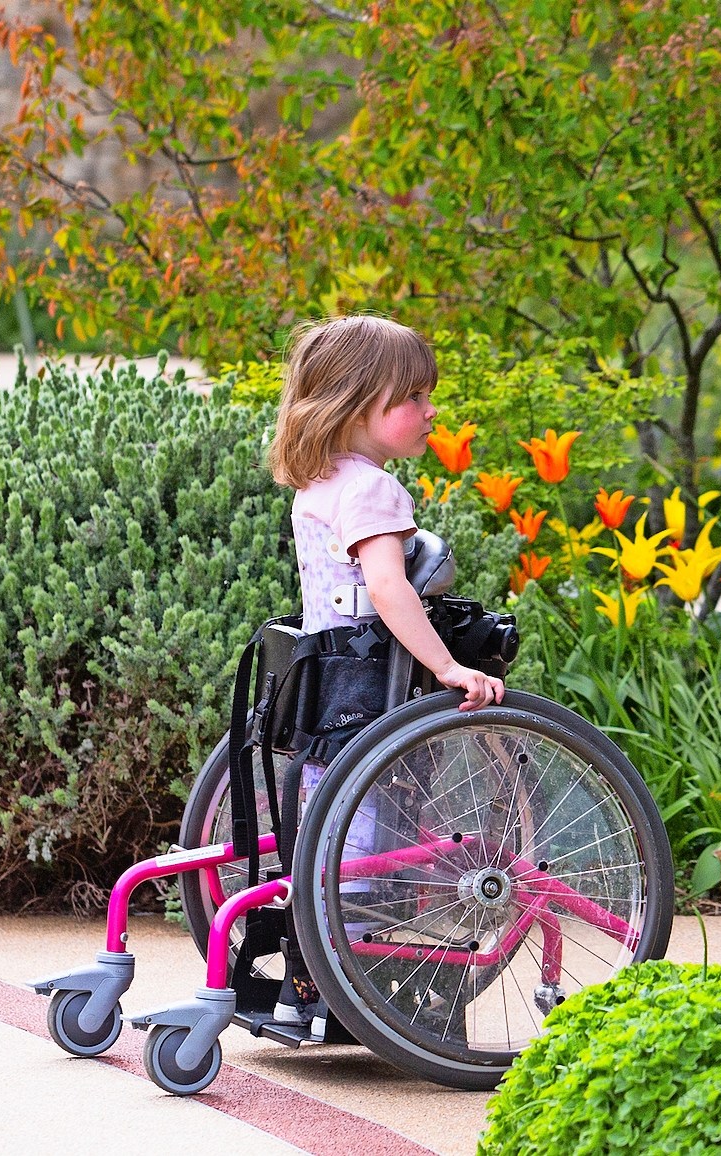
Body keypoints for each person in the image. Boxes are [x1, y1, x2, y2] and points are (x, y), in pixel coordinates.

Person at [265, 315, 505, 1025]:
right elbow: (391, 591)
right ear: (357, 403)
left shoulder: (320, 483)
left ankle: (308, 992)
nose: (432, 411)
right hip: (371, 691)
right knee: (367, 856)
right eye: (415, 397)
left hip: (326, 688)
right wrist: (450, 664)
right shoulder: (373, 491)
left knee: (334, 838)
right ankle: (351, 994)